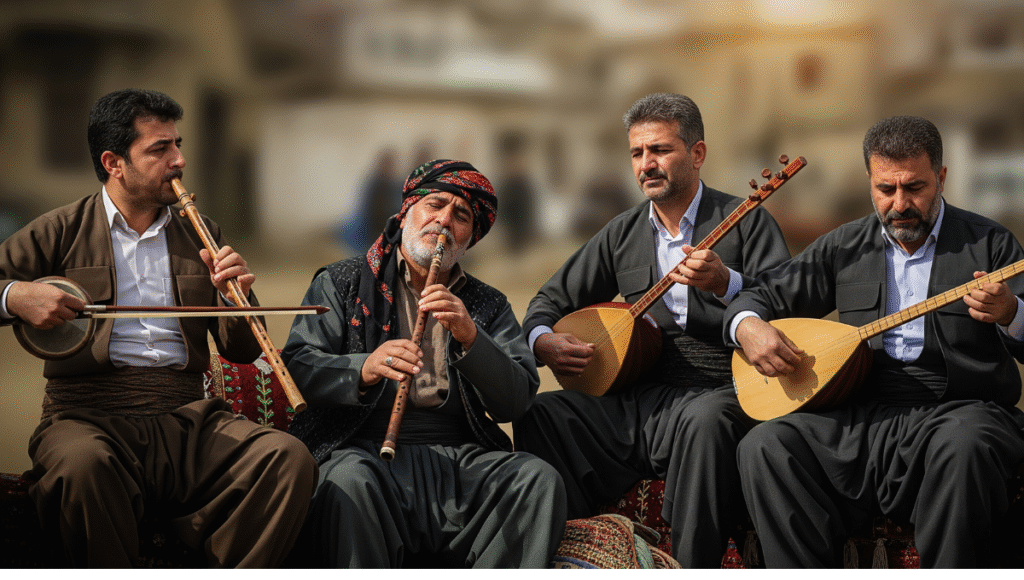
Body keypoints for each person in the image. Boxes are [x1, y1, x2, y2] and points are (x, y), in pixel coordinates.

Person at [0, 88, 317, 568]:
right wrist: (16, 296)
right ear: (114, 162)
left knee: (287, 460)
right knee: (83, 467)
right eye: (159, 149)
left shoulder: (201, 231)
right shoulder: (59, 229)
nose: (179, 160)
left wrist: (238, 295)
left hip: (188, 417)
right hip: (85, 416)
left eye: (177, 145)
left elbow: (240, 351)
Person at [726, 115, 1024, 567]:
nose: (900, 203)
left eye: (915, 188)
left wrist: (1010, 314)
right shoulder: (844, 245)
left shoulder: (990, 244)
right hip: (859, 413)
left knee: (966, 444)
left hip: (959, 408)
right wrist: (749, 326)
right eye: (886, 189)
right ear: (869, 181)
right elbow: (761, 295)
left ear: (942, 177)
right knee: (767, 446)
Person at [512, 93, 791, 567]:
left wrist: (726, 282)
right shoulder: (622, 232)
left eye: (660, 150)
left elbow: (786, 296)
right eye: (638, 154)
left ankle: (690, 566)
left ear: (697, 154)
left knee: (702, 423)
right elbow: (548, 301)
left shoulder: (747, 221)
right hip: (640, 393)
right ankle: (580, 555)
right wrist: (544, 341)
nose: (646, 164)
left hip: (722, 385)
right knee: (543, 414)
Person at [282, 159, 566, 568]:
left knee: (536, 480)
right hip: (364, 448)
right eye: (434, 205)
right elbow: (299, 365)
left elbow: (517, 399)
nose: (444, 221)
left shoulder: (487, 304)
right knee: (347, 482)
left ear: (471, 237)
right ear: (406, 211)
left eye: (462, 216)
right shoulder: (342, 282)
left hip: (460, 456)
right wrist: (364, 367)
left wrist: (472, 338)